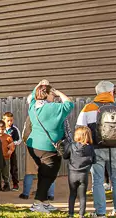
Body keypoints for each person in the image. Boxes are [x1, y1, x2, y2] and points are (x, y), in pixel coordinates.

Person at [76, 80, 116, 217]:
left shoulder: (88, 108)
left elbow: (79, 129)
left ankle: (100, 212)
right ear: (111, 92)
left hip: (96, 148)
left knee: (98, 181)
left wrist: (88, 144)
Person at [26, 80, 74, 214]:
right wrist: (57, 92)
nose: (54, 97)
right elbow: (69, 104)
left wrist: (38, 85)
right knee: (48, 176)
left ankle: (44, 202)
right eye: (52, 94)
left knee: (43, 174)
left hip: (34, 146)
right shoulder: (53, 108)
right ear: (47, 95)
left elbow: (30, 97)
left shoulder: (34, 106)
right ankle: (37, 203)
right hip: (48, 148)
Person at [18, 116, 55, 202]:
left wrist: (27, 141)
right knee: (49, 171)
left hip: (34, 144)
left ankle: (26, 194)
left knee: (30, 171)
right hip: (48, 145)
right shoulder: (51, 114)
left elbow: (26, 132)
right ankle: (50, 194)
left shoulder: (32, 115)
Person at [66, 126, 94, 218]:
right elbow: (94, 160)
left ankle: (70, 214)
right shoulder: (90, 148)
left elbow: (65, 156)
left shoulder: (72, 146)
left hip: (72, 174)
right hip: (83, 174)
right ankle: (81, 214)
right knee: (82, 196)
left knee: (72, 194)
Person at [3, 112, 22, 190]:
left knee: (13, 166)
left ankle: (15, 184)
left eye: (11, 120)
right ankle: (5, 184)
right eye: (8, 121)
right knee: (3, 167)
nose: (10, 122)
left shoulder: (15, 129)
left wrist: (13, 143)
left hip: (12, 150)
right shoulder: (1, 129)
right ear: (4, 120)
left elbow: (19, 140)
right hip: (3, 150)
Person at [0, 121, 14, 192]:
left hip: (6, 157)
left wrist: (11, 150)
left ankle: (7, 185)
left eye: (3, 129)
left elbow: (12, 145)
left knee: (5, 172)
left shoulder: (8, 137)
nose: (1, 131)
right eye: (0, 129)